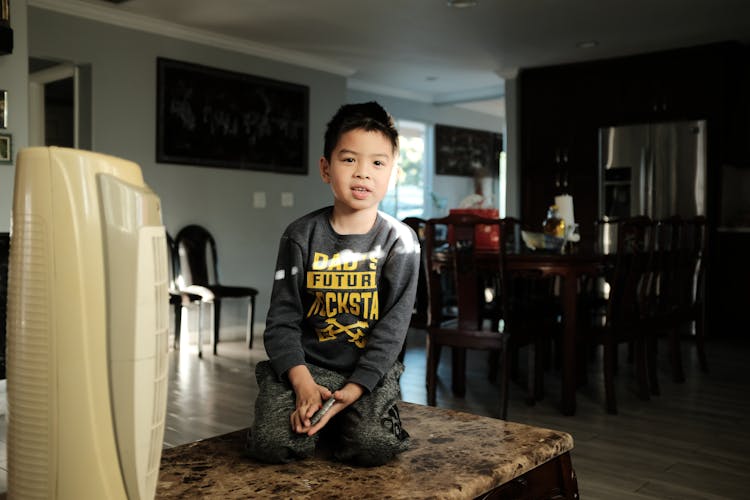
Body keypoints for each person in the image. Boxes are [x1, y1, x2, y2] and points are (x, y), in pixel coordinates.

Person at [246, 101, 420, 466]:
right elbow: (281, 321)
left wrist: (355, 389)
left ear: (393, 172)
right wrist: (303, 384)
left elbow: (393, 330)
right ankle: (320, 415)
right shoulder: (300, 236)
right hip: (307, 368)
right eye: (348, 160)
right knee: (269, 444)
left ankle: (348, 418)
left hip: (367, 370)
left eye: (377, 162)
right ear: (326, 168)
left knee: (372, 447)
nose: (363, 173)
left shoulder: (400, 243)